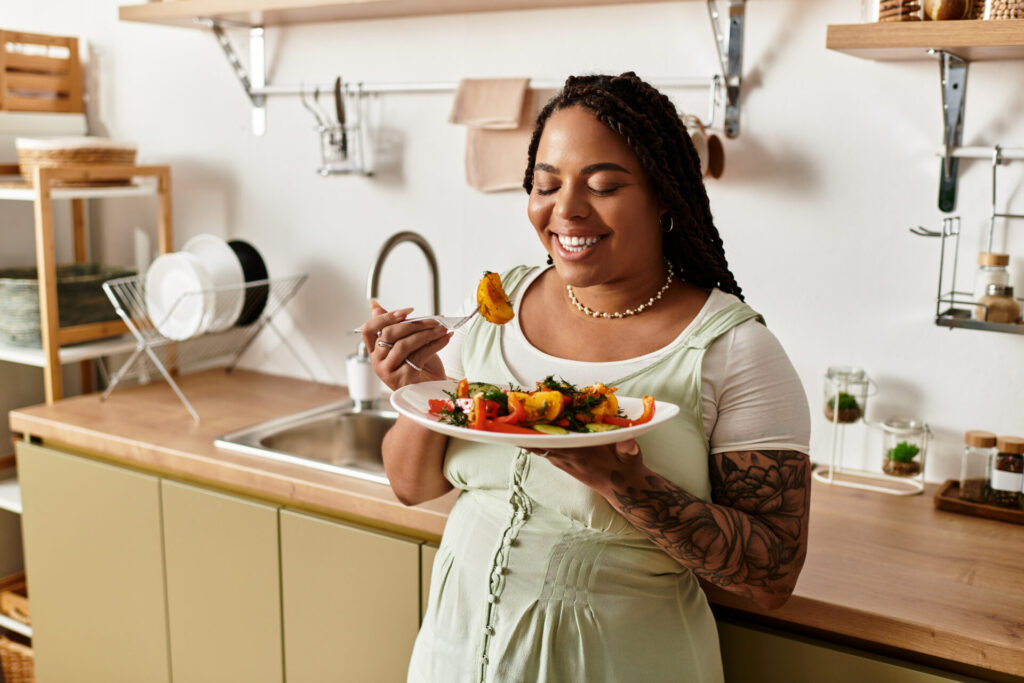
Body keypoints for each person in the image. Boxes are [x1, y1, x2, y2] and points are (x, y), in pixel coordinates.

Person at [361, 72, 811, 683]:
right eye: (545, 185)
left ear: (663, 196)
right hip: (454, 657)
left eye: (602, 186)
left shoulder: (734, 350)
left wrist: (628, 485)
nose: (566, 210)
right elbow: (411, 485)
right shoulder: (502, 303)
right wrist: (424, 388)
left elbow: (773, 576)